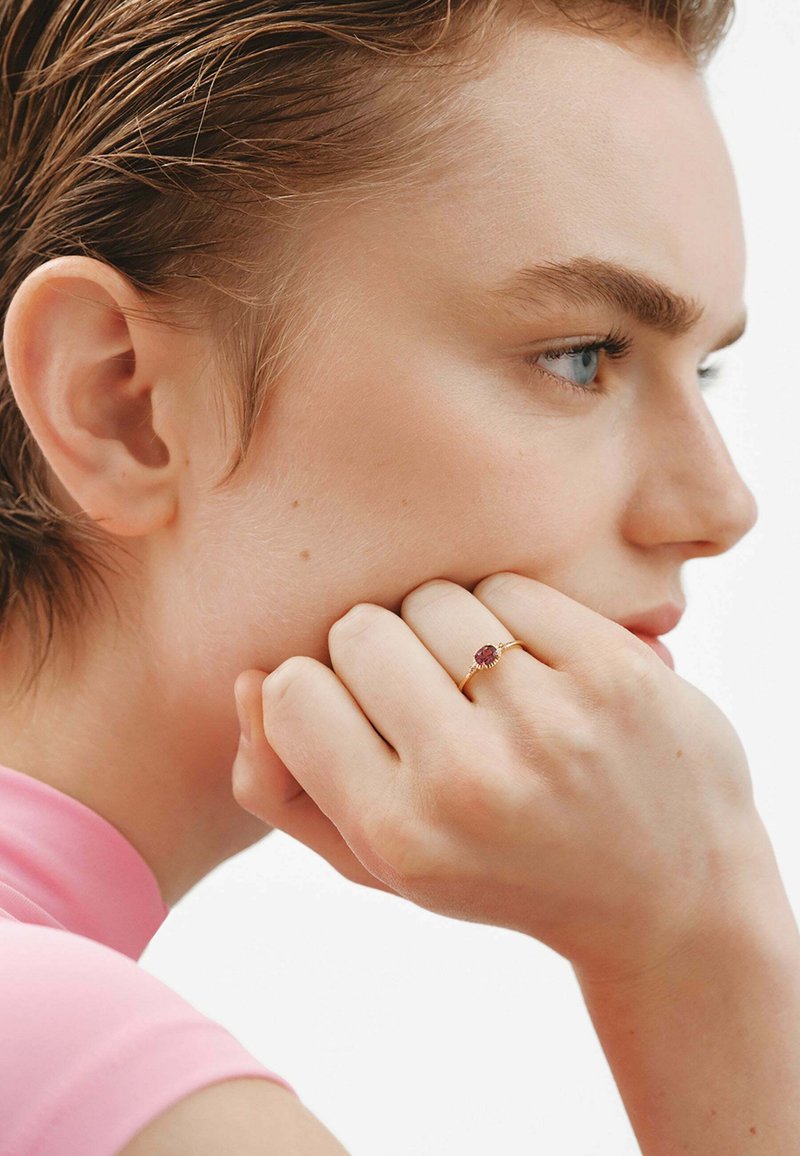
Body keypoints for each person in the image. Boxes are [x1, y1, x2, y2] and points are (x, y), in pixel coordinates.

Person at [1, 0, 798, 1152]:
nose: (717, 509)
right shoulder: (81, 1072)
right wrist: (702, 943)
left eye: (704, 372)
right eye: (580, 356)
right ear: (119, 399)